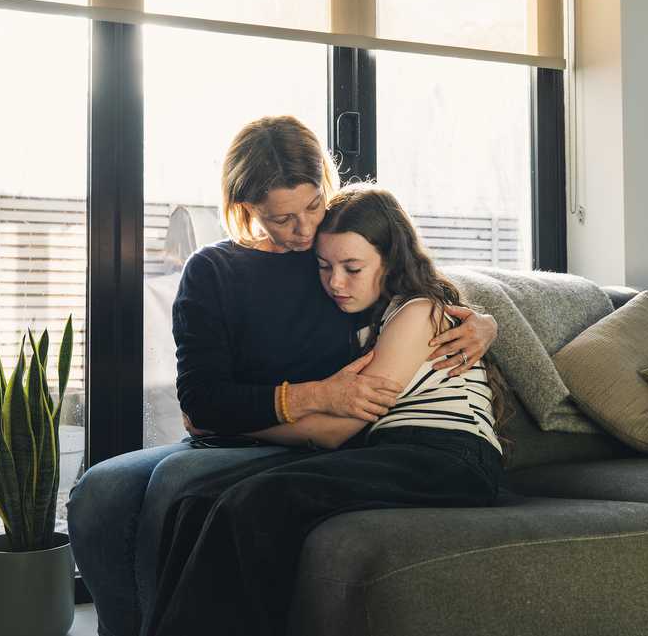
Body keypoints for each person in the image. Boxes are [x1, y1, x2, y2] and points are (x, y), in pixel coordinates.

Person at [67, 116, 499, 636]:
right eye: (282, 218)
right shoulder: (215, 271)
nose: (304, 230)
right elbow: (203, 403)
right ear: (246, 208)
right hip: (234, 436)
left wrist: (486, 323)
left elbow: (413, 281)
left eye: (313, 206)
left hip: (311, 439)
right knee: (100, 490)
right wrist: (314, 396)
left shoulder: (337, 250)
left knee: (175, 485)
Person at [143, 183, 513, 636]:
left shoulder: (416, 313)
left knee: (258, 502)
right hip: (391, 453)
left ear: (390, 262)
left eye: (352, 268)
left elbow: (335, 432)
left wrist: (228, 427)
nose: (336, 282)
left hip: (447, 458)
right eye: (324, 266)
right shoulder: (367, 322)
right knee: (198, 500)